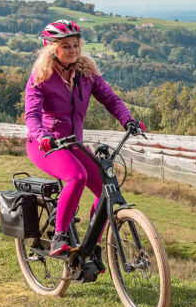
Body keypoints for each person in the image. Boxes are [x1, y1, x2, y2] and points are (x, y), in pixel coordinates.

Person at [23, 19, 144, 263]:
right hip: (46, 144)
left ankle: (92, 246)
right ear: (52, 49)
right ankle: (59, 236)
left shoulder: (87, 74)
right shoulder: (41, 77)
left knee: (107, 191)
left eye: (76, 45)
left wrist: (128, 120)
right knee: (78, 177)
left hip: (74, 144)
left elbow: (111, 99)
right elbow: (32, 115)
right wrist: (42, 136)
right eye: (66, 46)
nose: (73, 50)